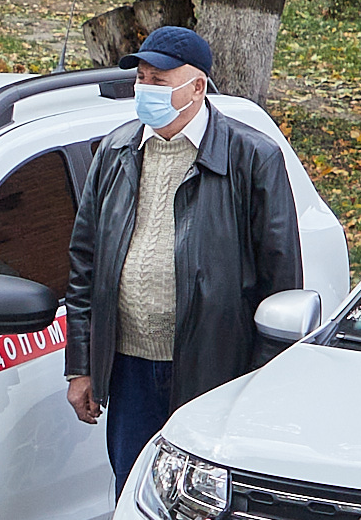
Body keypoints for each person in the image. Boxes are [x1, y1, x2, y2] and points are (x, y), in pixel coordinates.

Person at [63, 24, 304, 490]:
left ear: (196, 87)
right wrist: (82, 365)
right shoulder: (115, 152)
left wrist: (258, 385)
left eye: (159, 80)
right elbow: (84, 264)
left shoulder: (252, 158)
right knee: (134, 495)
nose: (145, 90)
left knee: (200, 505)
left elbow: (282, 286)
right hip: (130, 368)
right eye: (142, 79)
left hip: (213, 372)